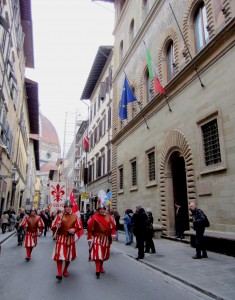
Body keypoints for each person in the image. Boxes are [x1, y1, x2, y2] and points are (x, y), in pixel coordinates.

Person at [51, 200, 84, 280]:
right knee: (59, 255)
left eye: (69, 207)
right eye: (67, 207)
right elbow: (53, 227)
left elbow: (79, 226)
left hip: (69, 238)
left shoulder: (75, 216)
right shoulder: (60, 216)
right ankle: (59, 273)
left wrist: (74, 229)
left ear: (71, 208)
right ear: (64, 208)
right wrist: (57, 225)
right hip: (61, 237)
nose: (68, 208)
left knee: (68, 256)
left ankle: (65, 269)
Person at [87, 204, 116, 278]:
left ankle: (101, 267)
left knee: (103, 254)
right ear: (98, 210)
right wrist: (89, 238)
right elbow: (90, 229)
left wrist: (113, 234)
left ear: (105, 209)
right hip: (97, 237)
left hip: (106, 238)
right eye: (100, 209)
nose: (101, 210)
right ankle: (97, 270)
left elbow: (113, 227)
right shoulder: (94, 217)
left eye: (103, 209)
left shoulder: (109, 217)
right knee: (98, 253)